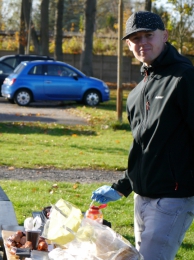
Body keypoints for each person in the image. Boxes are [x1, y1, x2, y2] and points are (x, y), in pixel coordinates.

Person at [91, 11, 194, 260]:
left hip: (174, 198)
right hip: (142, 198)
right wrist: (124, 186)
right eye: (135, 38)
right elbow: (143, 147)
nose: (142, 42)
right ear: (128, 45)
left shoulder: (185, 78)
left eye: (149, 35)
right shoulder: (137, 93)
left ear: (165, 36)